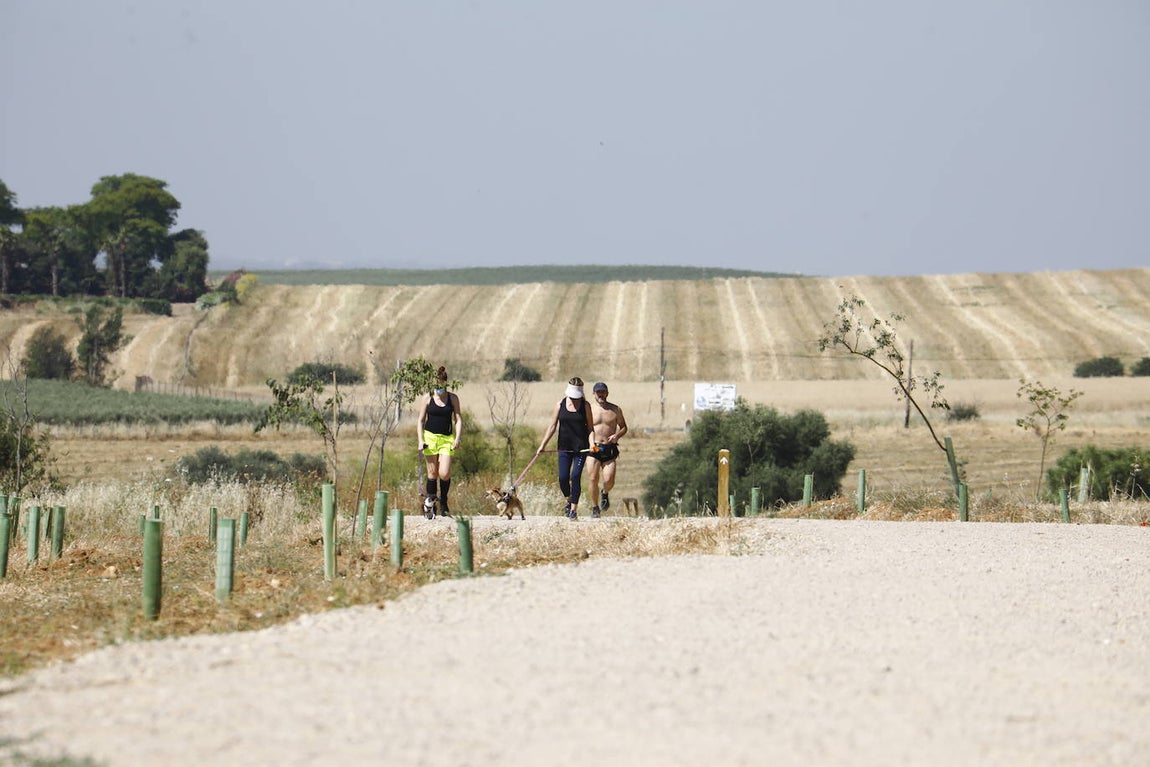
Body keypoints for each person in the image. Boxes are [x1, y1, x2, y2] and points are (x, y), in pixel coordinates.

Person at [535, 376, 595, 520]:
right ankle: (568, 499)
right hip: (564, 447)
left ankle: (573, 510)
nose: (574, 399)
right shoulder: (559, 405)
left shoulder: (585, 406)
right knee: (563, 478)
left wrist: (592, 444)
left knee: (575, 476)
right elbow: (552, 427)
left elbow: (590, 429)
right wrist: (542, 445)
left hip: (581, 449)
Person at [416, 366, 462, 517]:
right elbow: (420, 420)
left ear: (445, 383)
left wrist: (457, 437)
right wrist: (420, 440)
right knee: (432, 472)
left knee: (444, 472)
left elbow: (458, 419)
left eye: (441, 384)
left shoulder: (453, 398)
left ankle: (444, 500)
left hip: (446, 438)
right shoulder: (427, 398)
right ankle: (431, 505)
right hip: (430, 437)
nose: (439, 387)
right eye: (436, 384)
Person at [587, 381, 628, 518]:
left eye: (603, 392)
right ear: (594, 394)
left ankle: (604, 492)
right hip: (593, 448)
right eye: (598, 392)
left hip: (609, 448)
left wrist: (617, 436)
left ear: (607, 393)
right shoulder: (589, 409)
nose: (601, 395)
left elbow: (624, 427)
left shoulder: (615, 409)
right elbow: (583, 427)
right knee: (593, 478)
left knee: (609, 479)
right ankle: (594, 507)